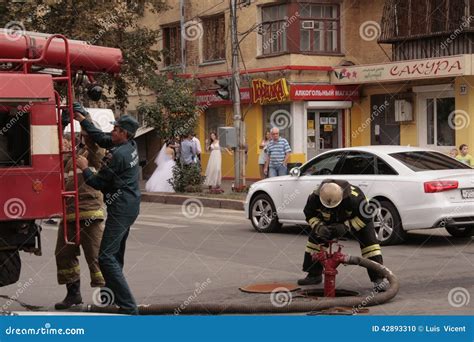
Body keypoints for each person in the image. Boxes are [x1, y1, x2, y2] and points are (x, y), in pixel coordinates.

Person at [73, 102, 140, 315]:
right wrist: (83, 119)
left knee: (105, 257)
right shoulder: (129, 147)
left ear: (125, 134)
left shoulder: (118, 155)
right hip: (129, 206)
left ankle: (129, 307)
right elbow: (102, 138)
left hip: (121, 209)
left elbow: (99, 183)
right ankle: (110, 298)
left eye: (116, 129)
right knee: (115, 255)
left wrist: (84, 168)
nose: (112, 131)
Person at [298, 179, 386, 291]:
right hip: (329, 220)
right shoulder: (314, 197)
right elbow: (309, 214)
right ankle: (314, 275)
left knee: (371, 247)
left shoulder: (355, 198)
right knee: (314, 243)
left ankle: (378, 279)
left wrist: (346, 227)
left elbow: (366, 217)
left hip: (356, 220)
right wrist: (319, 227)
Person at [55, 120, 106, 310]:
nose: (77, 136)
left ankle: (107, 295)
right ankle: (73, 294)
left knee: (96, 256)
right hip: (69, 213)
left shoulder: (95, 151)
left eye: (83, 133)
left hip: (89, 212)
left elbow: (95, 148)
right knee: (63, 254)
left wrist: (85, 122)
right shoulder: (72, 156)